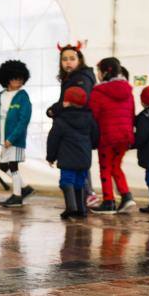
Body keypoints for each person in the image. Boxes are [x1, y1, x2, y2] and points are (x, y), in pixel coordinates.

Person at [47, 43, 100, 207]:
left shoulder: (81, 78)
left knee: (71, 174)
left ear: (79, 60)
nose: (68, 62)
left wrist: (54, 110)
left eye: (71, 59)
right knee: (80, 166)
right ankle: (82, 202)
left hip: (75, 128)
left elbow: (73, 102)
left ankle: (84, 198)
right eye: (64, 59)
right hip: (78, 131)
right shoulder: (72, 77)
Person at [89, 57, 136, 214]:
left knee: (105, 168)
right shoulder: (128, 91)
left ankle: (108, 201)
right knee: (116, 166)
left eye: (98, 71)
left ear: (104, 72)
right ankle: (126, 196)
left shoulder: (98, 91)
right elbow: (132, 114)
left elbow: (93, 115)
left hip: (107, 137)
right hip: (125, 136)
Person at [46, 87, 99, 219]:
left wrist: (51, 157)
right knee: (80, 181)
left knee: (66, 181)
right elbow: (96, 135)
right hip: (84, 158)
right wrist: (91, 146)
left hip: (67, 158)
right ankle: (81, 209)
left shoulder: (61, 120)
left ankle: (71, 207)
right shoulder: (89, 117)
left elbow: (53, 139)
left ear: (67, 102)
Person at [0, 60, 33, 207]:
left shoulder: (23, 96)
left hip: (15, 139)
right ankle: (24, 188)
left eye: (21, 79)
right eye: (15, 78)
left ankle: (17, 196)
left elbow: (24, 120)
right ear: (7, 78)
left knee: (13, 166)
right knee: (3, 166)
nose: (18, 81)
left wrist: (12, 138)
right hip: (4, 139)